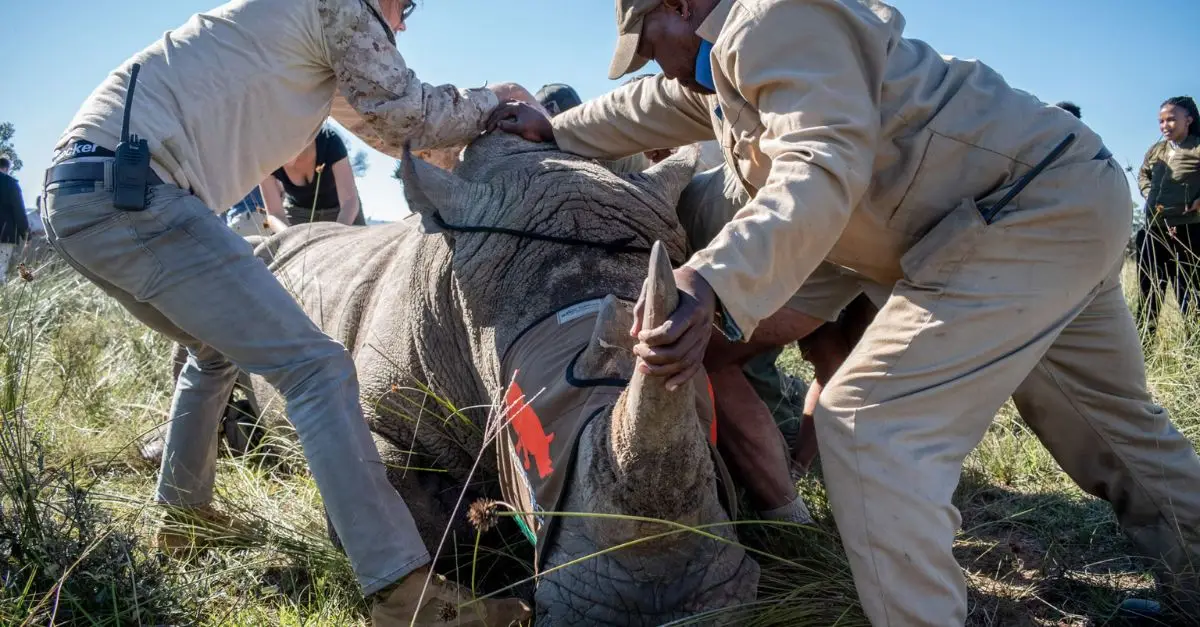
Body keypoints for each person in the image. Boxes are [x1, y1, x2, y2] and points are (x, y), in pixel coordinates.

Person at [490, 0, 1200, 622]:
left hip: (1022, 211)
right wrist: (553, 129)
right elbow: (641, 109)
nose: (657, 67)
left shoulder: (772, 20)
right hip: (1053, 197)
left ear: (679, 5)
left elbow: (821, 164)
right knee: (1107, 428)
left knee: (867, 424)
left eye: (650, 46)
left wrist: (707, 280)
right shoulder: (726, 72)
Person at [38, 0, 530, 624]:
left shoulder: (308, 35)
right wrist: (499, 101)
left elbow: (401, 133)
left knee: (213, 348)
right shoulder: (337, 5)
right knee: (316, 368)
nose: (404, 23)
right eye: (406, 5)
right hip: (135, 192)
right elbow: (406, 108)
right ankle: (407, 597)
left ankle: (183, 518)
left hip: (85, 194)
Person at [1136, 96, 1200, 341]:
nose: (1165, 125)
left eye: (1171, 119)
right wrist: (1147, 193)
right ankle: (1145, 347)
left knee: (1190, 294)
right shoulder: (1157, 150)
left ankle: (1193, 350)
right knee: (1148, 291)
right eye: (1161, 121)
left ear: (1189, 119)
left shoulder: (1196, 147)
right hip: (1153, 231)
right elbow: (1143, 175)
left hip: (1189, 233)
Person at [259, 125, 366, 226]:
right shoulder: (265, 158)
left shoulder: (330, 141)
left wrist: (336, 238)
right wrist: (290, 237)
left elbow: (349, 202)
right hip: (298, 214)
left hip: (343, 214)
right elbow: (274, 214)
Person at [0, 156, 29, 284]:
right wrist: (25, 233)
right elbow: (19, 210)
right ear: (6, 168)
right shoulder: (10, 183)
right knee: (1, 269)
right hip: (5, 234)